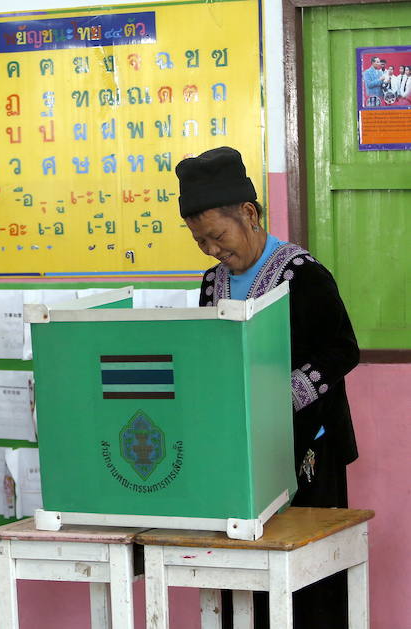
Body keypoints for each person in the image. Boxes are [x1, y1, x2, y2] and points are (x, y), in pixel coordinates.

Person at [175, 147, 360, 629]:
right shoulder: (212, 282)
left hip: (307, 451)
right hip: (240, 455)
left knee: (307, 583)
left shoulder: (304, 275)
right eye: (199, 241)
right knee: (245, 576)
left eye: (217, 236)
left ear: (249, 213)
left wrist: (280, 397)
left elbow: (343, 350)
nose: (211, 250)